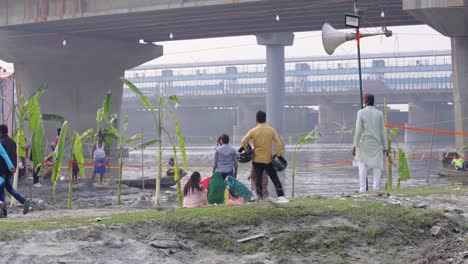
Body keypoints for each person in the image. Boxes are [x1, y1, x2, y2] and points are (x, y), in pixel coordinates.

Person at [241, 110, 288, 203]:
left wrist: (249, 150)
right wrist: (278, 155)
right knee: (275, 178)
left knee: (258, 179)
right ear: (265, 119)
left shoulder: (253, 131)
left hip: (257, 159)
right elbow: (278, 143)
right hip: (268, 159)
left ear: (256, 120)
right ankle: (281, 197)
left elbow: (243, 141)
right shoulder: (271, 130)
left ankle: (260, 197)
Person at [352, 94, 388, 192]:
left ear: (366, 101)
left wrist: (354, 145)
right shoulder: (379, 113)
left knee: (362, 166)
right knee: (377, 166)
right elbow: (382, 131)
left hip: (364, 144)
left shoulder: (361, 112)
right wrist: (385, 147)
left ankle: (362, 189)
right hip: (376, 144)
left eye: (364, 100)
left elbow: (358, 131)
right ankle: (376, 188)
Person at [0, 124, 29, 217]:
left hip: (2, 170)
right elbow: (14, 156)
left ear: (0, 133)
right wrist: (14, 167)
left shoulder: (1, 142)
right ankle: (23, 201)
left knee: (1, 190)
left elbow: (4, 156)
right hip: (10, 169)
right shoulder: (12, 142)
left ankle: (3, 212)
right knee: (9, 188)